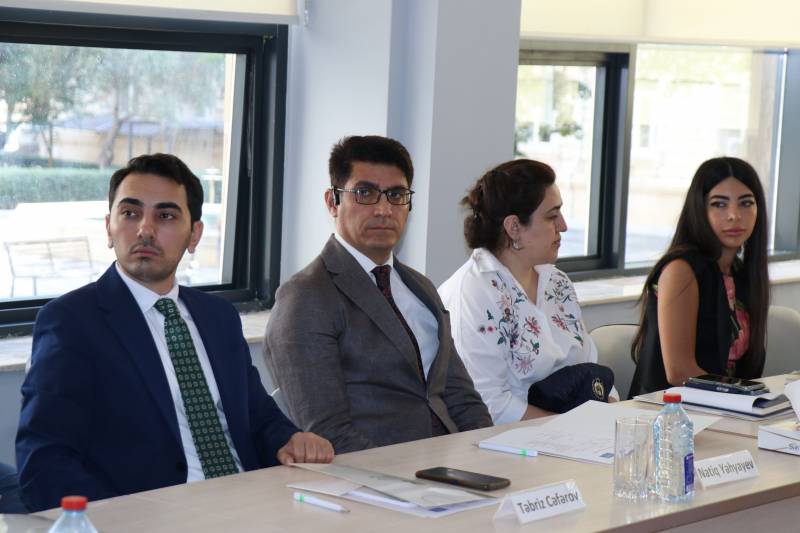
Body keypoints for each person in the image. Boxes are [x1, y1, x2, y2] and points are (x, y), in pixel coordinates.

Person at [16, 153, 333, 512]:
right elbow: (44, 460)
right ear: (109, 227)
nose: (145, 230)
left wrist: (291, 438)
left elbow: (257, 415)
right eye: (130, 213)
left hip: (250, 501)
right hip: (152, 516)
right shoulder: (72, 321)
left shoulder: (218, 317)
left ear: (194, 234)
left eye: (165, 216)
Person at [264, 135, 492, 453]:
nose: (384, 209)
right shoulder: (306, 297)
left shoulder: (421, 288)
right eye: (365, 193)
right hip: (378, 471)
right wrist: (409, 476)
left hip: (452, 462)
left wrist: (489, 454)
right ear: (332, 202)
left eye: (396, 195)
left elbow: (461, 397)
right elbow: (327, 432)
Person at [438, 159, 615, 425]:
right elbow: (488, 404)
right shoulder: (474, 292)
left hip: (570, 431)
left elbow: (590, 366)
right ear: (514, 227)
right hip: (507, 439)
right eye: (552, 216)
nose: (564, 226)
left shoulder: (557, 282)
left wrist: (612, 416)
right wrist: (570, 429)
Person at [629, 157, 769, 397]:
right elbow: (679, 372)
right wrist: (744, 397)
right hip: (670, 409)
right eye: (719, 204)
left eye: (746, 203)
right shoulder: (680, 270)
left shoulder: (741, 273)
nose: (734, 215)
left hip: (721, 407)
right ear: (699, 209)